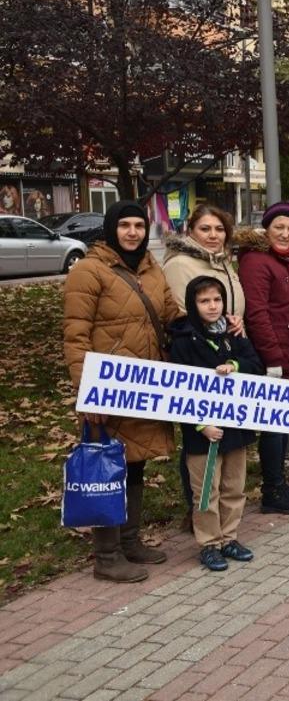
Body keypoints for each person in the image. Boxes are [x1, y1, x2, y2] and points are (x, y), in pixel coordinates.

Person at [64, 201, 183, 582]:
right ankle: (107, 554)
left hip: (144, 387)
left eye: (138, 225)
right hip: (109, 389)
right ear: (111, 228)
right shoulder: (88, 271)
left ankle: (130, 540)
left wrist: (210, 322)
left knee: (134, 465)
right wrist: (87, 393)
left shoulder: (151, 269)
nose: (132, 232)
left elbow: (170, 315)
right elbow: (76, 336)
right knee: (107, 469)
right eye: (125, 225)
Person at [169, 277, 263, 571]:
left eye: (217, 300)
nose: (212, 306)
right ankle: (209, 543)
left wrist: (235, 366)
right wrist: (200, 425)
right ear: (192, 305)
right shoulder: (183, 342)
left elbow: (255, 366)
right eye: (204, 301)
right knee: (206, 491)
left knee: (234, 486)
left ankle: (229, 537)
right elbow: (177, 390)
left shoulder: (233, 334)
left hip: (235, 426)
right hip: (203, 434)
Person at [161, 204, 244, 530]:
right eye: (206, 229)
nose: (213, 235)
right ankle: (197, 514)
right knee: (200, 441)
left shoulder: (223, 261)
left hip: (228, 351)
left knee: (229, 444)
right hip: (199, 355)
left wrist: (233, 325)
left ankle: (225, 524)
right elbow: (182, 314)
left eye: (219, 229)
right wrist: (217, 328)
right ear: (191, 231)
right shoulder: (181, 264)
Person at [238, 201, 289, 514]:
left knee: (282, 422)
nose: (285, 234)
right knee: (272, 425)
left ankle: (279, 482)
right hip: (272, 358)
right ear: (267, 228)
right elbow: (257, 313)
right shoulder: (256, 261)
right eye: (279, 227)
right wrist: (273, 359)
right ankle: (272, 488)